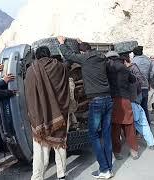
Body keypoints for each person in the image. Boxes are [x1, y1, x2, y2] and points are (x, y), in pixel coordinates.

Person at [58, 36, 113, 179]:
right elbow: (87, 52)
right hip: (108, 98)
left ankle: (104, 169)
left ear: (82, 53)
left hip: (96, 100)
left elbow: (69, 55)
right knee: (106, 134)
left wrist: (62, 43)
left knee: (93, 135)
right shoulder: (101, 57)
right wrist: (81, 44)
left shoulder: (85, 59)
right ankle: (109, 168)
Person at [24, 46, 69, 180]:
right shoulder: (60, 67)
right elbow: (66, 87)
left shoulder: (32, 70)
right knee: (59, 144)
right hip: (59, 115)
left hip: (40, 117)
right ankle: (61, 175)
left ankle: (38, 176)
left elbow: (30, 94)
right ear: (49, 55)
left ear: (37, 56)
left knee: (40, 148)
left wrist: (33, 114)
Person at [105, 51, 139, 160]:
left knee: (115, 128)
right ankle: (134, 150)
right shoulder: (124, 67)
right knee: (129, 126)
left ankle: (117, 152)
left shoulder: (106, 68)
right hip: (125, 99)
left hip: (113, 99)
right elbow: (133, 80)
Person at [123, 54, 154, 150]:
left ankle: (133, 146)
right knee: (143, 123)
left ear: (125, 62)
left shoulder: (128, 74)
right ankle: (151, 143)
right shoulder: (137, 74)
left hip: (131, 103)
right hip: (138, 101)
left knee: (131, 125)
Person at [131, 46, 154, 123]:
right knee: (145, 107)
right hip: (145, 86)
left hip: (137, 88)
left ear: (134, 53)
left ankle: (140, 128)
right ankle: (147, 123)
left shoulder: (133, 61)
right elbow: (151, 74)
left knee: (137, 108)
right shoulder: (148, 60)